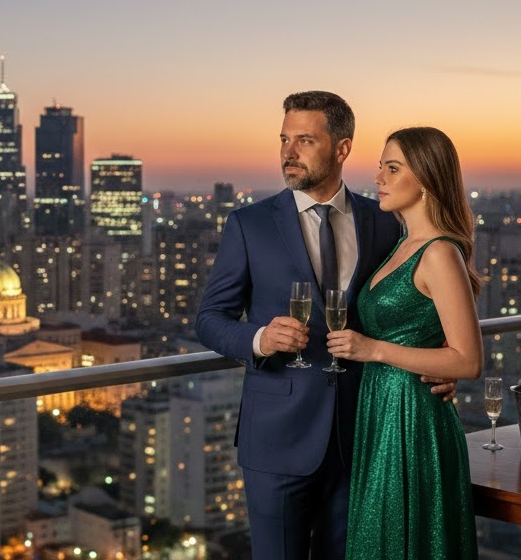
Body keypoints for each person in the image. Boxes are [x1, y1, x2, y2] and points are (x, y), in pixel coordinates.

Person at [195, 91, 456, 560]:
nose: (288, 152)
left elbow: (410, 305)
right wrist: (260, 338)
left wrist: (439, 364)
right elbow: (209, 319)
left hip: (364, 434)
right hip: (277, 440)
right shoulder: (249, 224)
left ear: (342, 148)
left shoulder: (385, 220)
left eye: (305, 140)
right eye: (284, 139)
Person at [327, 126, 481, 559]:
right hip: (381, 409)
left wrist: (372, 350)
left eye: (393, 169)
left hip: (414, 419)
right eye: (381, 167)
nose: (378, 177)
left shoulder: (439, 253)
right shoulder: (401, 244)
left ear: (427, 178)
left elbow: (468, 361)